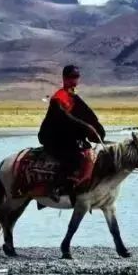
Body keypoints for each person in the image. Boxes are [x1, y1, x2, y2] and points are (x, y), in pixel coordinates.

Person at [37, 64, 106, 200]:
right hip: (51, 137)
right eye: (71, 77)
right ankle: (54, 187)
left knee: (87, 149)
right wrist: (86, 127)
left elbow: (86, 113)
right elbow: (66, 118)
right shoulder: (58, 98)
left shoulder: (73, 96)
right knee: (74, 157)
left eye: (76, 77)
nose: (74, 80)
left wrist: (97, 128)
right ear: (64, 78)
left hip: (64, 136)